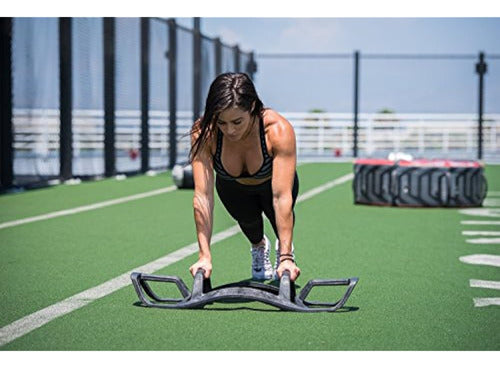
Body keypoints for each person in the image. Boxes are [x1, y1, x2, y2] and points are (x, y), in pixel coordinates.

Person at [188, 72, 301, 282]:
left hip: (272, 186)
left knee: (280, 223)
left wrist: (286, 257)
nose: (229, 130)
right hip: (233, 188)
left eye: (237, 121)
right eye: (222, 122)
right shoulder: (205, 132)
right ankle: (260, 247)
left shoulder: (278, 130)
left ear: (253, 109)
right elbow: (202, 196)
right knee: (251, 226)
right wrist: (204, 256)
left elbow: (281, 197)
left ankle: (283, 252)